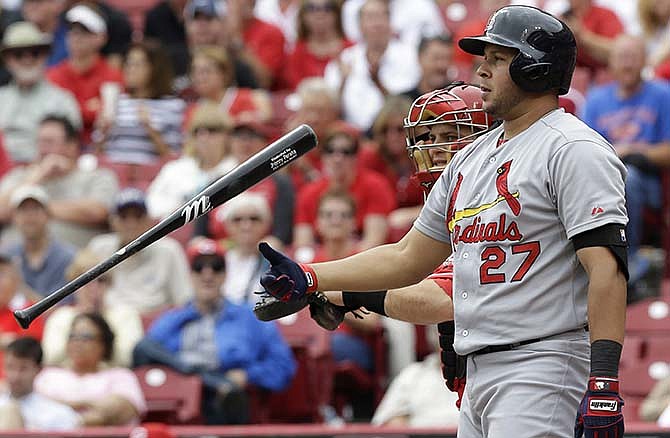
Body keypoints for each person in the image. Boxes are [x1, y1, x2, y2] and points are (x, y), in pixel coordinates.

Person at [258, 6, 629, 437]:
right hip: (480, 367)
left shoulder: (572, 148)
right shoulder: (472, 156)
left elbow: (606, 270)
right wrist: (310, 276)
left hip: (542, 360)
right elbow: (407, 255)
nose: (481, 70)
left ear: (535, 67)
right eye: (483, 58)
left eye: (497, 58)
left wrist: (604, 381)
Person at [132, 238, 296, 425]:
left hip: (228, 406)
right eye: (199, 267)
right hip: (180, 403)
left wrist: (249, 375)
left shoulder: (250, 317)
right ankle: (203, 378)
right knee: (144, 347)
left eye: (216, 267)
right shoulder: (171, 319)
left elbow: (283, 367)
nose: (207, 275)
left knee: (231, 394)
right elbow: (143, 358)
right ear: (190, 275)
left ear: (226, 275)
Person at [581, 34, 670, 289]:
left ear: (644, 61)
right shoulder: (596, 99)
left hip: (648, 182)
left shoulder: (663, 94)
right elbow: (584, 150)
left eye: (633, 57)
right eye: (621, 58)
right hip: (603, 175)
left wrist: (633, 150)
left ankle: (627, 259)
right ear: (611, 63)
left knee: (627, 176)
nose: (627, 64)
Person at [0, 115, 119, 248]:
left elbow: (98, 212)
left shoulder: (98, 177)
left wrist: (35, 208)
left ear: (72, 145)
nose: (43, 149)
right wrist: (37, 176)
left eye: (49, 142)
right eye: (40, 142)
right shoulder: (20, 176)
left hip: (77, 264)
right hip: (12, 262)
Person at [86, 188, 193, 315]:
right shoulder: (99, 247)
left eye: (138, 216)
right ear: (113, 221)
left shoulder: (169, 250)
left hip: (151, 326)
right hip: (105, 324)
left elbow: (184, 300)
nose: (131, 223)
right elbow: (84, 297)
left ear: (149, 220)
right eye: (124, 217)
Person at [293, 122, 396, 251]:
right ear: (322, 156)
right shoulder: (309, 192)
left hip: (363, 263)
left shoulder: (375, 185)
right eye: (330, 150)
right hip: (322, 262)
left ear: (356, 156)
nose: (337, 158)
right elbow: (303, 247)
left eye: (346, 152)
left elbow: (373, 242)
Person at [34, 312, 146, 426]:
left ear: (103, 344)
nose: (77, 343)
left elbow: (121, 409)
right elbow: (34, 408)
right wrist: (86, 404)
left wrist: (69, 416)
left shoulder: (121, 375)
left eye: (86, 337)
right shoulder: (48, 375)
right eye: (72, 336)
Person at [323, 0, 420, 132]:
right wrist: (343, 82)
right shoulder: (345, 59)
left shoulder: (410, 57)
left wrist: (377, 82)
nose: (377, 24)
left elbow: (406, 106)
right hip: (352, 137)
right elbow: (330, 110)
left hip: (394, 134)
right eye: (370, 17)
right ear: (359, 25)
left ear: (390, 22)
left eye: (382, 16)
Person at [41, 249, 143, 368]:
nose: (94, 287)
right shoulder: (61, 316)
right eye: (86, 280)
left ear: (109, 284)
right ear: (73, 286)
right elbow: (49, 358)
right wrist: (82, 323)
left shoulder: (125, 315)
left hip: (110, 380)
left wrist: (96, 325)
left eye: (101, 280)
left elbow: (127, 358)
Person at [0, 21, 81, 164]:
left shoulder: (63, 101)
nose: (27, 59)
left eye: (35, 53)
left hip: (46, 175)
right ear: (7, 60)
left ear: (45, 56)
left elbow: (70, 152)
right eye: (18, 54)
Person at [94, 39, 185, 165]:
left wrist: (151, 130)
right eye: (128, 63)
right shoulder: (116, 103)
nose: (129, 69)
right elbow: (96, 154)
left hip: (152, 175)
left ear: (155, 68)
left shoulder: (172, 106)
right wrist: (103, 132)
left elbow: (173, 158)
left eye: (137, 65)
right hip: (114, 174)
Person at [46, 2, 124, 146]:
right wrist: (89, 110)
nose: (76, 37)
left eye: (85, 31)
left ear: (102, 37)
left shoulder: (112, 75)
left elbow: (111, 118)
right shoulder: (53, 75)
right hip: (62, 149)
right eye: (72, 30)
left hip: (102, 149)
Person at [146, 102, 236, 220]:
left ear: (227, 136)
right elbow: (152, 204)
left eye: (213, 130)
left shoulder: (236, 168)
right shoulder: (174, 169)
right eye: (198, 131)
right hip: (174, 231)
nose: (204, 137)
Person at [371, 326, 460, 427]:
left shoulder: (477, 378)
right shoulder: (412, 374)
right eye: (447, 335)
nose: (453, 343)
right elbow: (383, 425)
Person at [5, 185, 76, 298]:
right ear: (14, 217)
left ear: (48, 215)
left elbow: (62, 311)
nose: (30, 216)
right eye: (23, 210)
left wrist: (17, 285)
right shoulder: (5, 256)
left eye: (35, 209)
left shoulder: (68, 258)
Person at [0, 337, 81, 431]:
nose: (15, 376)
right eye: (10, 367)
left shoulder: (59, 414)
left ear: (38, 370)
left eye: (23, 369)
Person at [281, 0, 353, 91]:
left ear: (337, 14)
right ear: (303, 16)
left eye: (328, 8)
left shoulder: (352, 49)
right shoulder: (296, 52)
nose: (320, 14)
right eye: (311, 8)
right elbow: (296, 89)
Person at [216, 193, 274, 306]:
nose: (246, 226)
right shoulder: (217, 260)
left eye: (254, 219)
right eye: (237, 220)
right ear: (227, 225)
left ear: (266, 224)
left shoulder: (275, 263)